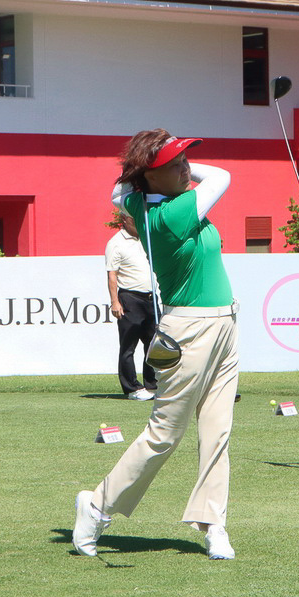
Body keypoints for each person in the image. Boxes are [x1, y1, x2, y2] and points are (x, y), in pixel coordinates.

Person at [73, 129, 239, 560]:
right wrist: (152, 167)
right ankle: (96, 506)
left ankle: (212, 522)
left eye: (186, 161)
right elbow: (220, 176)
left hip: (224, 325)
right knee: (165, 434)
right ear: (151, 177)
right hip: (192, 330)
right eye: (177, 164)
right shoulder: (171, 215)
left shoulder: (138, 203)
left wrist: (155, 163)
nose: (187, 168)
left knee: (217, 432)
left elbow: (118, 191)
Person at [105, 210, 158, 400]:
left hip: (151, 298)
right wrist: (115, 302)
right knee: (128, 346)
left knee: (153, 344)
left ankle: (152, 385)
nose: (140, 221)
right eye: (135, 218)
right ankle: (131, 388)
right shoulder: (116, 243)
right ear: (125, 220)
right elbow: (112, 275)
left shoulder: (146, 238)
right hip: (129, 299)